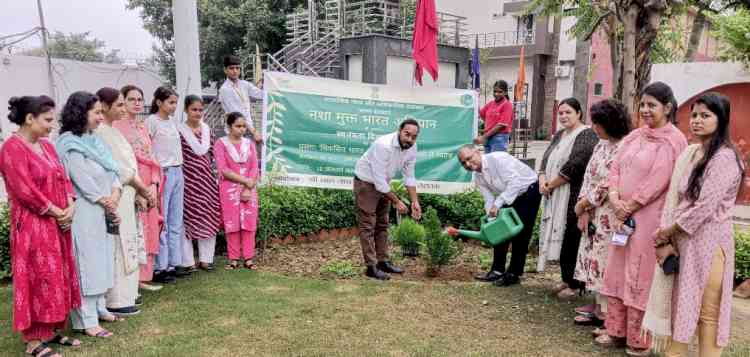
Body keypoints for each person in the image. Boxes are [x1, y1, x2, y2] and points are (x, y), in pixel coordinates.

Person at [644, 92, 743, 357]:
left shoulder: (724, 158)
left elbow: (705, 208)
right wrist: (670, 237)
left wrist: (668, 231)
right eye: (695, 115)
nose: (697, 121)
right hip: (688, 242)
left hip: (709, 244)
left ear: (721, 120)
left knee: (707, 314)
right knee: (685, 307)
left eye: (705, 116)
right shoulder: (698, 154)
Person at [595, 82, 687, 356]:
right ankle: (616, 331)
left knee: (640, 274)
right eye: (643, 105)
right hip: (622, 215)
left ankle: (639, 339)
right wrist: (614, 198)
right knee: (617, 268)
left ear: (667, 108)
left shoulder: (673, 140)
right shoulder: (635, 136)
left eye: (652, 105)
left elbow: (659, 179)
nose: (645, 110)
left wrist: (631, 205)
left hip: (649, 218)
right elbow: (616, 167)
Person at [1, 96, 82, 357]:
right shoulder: (11, 148)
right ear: (29, 119)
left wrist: (70, 204)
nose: (52, 125)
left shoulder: (47, 146)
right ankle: (34, 342)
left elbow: (63, 176)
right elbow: (24, 190)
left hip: (58, 223)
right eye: (48, 120)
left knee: (56, 275)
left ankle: (52, 330)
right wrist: (57, 211)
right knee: (37, 278)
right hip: (32, 225)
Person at [56, 91, 122, 338]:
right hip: (85, 210)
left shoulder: (95, 140)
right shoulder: (68, 143)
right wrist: (104, 200)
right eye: (95, 112)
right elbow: (80, 178)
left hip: (105, 208)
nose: (100, 117)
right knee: (87, 262)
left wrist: (114, 195)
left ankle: (99, 307)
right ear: (80, 113)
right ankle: (86, 320)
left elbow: (112, 169)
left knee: (103, 258)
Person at [95, 87, 156, 316]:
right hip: (116, 194)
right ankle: (116, 299)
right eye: (119, 104)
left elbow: (130, 166)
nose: (123, 109)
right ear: (103, 105)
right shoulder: (100, 132)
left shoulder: (113, 131)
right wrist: (141, 188)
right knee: (118, 246)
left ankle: (128, 294)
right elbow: (118, 169)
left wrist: (140, 192)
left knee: (129, 242)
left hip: (128, 193)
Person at [572, 99, 632, 328]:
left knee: (605, 257)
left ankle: (607, 310)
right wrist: (582, 208)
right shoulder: (601, 144)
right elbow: (589, 176)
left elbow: (609, 183)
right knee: (591, 256)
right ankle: (597, 304)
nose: (594, 128)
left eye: (598, 123)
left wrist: (586, 203)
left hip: (609, 210)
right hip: (591, 210)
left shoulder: (625, 146)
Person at [537, 97, 599, 299]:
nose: (563, 116)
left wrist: (551, 184)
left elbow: (576, 164)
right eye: (561, 113)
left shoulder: (587, 135)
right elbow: (545, 159)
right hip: (553, 195)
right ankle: (565, 278)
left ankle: (575, 284)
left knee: (573, 237)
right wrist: (542, 179)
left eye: (568, 112)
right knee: (563, 238)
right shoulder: (559, 135)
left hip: (573, 196)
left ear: (579, 113)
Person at [456, 145, 541, 286]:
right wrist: (490, 221)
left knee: (521, 233)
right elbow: (488, 199)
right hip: (508, 194)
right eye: (463, 163)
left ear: (477, 152)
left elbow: (515, 182)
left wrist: (498, 204)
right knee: (499, 230)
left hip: (528, 191)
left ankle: (514, 274)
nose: (468, 164)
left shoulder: (498, 159)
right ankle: (497, 270)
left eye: (469, 159)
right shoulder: (478, 176)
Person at [353, 119, 422, 280]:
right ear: (399, 130)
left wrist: (415, 202)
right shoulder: (383, 145)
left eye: (414, 136)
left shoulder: (412, 148)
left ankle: (383, 261)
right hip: (366, 182)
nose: (410, 140)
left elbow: (409, 176)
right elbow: (378, 181)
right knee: (368, 226)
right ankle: (371, 267)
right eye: (407, 134)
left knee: (383, 224)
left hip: (384, 183)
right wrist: (397, 201)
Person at [113, 85, 165, 289]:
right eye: (132, 99)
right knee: (134, 228)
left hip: (149, 182)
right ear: (123, 102)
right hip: (131, 184)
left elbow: (152, 156)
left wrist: (153, 183)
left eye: (139, 99)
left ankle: (145, 276)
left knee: (150, 227)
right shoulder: (117, 127)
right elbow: (123, 162)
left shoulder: (143, 127)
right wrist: (139, 189)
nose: (137, 103)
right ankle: (133, 279)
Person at [146, 86, 189, 283]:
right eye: (170, 102)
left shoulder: (172, 122)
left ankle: (174, 263)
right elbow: (146, 150)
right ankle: (160, 267)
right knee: (161, 219)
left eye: (175, 102)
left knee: (175, 219)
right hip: (162, 173)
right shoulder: (151, 123)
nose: (173, 106)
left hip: (177, 170)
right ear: (159, 102)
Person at [179, 95, 222, 271]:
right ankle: (188, 262)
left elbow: (212, 155)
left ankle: (206, 259)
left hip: (206, 182)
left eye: (200, 109)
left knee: (208, 216)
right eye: (193, 109)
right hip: (187, 181)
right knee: (186, 219)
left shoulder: (207, 130)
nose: (197, 113)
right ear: (186, 110)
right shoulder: (179, 131)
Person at [214, 112, 260, 270]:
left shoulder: (249, 144)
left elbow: (254, 167)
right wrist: (245, 181)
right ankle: (233, 259)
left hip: (249, 189)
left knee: (249, 223)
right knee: (232, 223)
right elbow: (223, 169)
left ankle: (248, 258)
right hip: (229, 189)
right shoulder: (221, 143)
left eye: (243, 126)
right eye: (238, 126)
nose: (241, 129)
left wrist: (248, 187)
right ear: (229, 126)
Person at [219, 55, 263, 144]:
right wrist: (254, 132)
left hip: (247, 128)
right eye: (231, 68)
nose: (235, 71)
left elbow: (261, 94)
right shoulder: (225, 89)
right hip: (235, 131)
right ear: (225, 70)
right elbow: (237, 114)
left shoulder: (244, 84)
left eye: (237, 68)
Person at [474, 80, 513, 153]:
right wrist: (476, 98)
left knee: (496, 163)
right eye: (495, 91)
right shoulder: (491, 104)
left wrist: (484, 136)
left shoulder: (507, 105)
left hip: (499, 138)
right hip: (488, 138)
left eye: (500, 92)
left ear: (506, 92)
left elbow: (501, 125)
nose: (496, 94)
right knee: (488, 163)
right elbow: (480, 114)